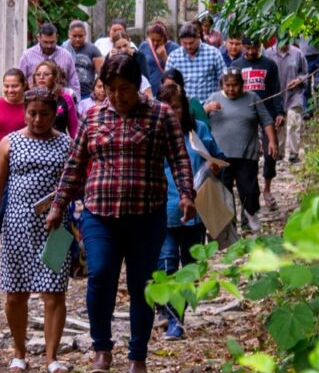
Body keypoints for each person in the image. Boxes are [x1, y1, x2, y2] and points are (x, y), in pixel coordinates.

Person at [46, 54, 197, 373]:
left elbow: (179, 158)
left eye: (124, 88)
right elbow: (75, 165)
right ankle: (102, 348)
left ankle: (137, 355)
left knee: (143, 282)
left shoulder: (161, 115)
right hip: (100, 213)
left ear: (138, 85)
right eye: (110, 88)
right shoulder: (93, 117)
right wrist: (59, 205)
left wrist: (186, 194)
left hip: (147, 213)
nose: (117, 96)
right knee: (99, 275)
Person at [0, 89, 74, 373]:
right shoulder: (10, 143)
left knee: (55, 292)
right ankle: (19, 352)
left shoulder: (66, 144)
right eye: (32, 113)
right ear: (24, 112)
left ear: (55, 113)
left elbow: (75, 182)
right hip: (17, 225)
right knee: (16, 293)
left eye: (44, 114)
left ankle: (51, 358)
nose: (37, 119)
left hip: (56, 227)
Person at [154, 84, 224, 341]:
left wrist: (215, 167)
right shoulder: (154, 135)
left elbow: (218, 157)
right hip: (163, 209)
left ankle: (175, 312)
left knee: (190, 266)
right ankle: (173, 318)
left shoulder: (199, 130)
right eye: (167, 107)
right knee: (167, 261)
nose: (172, 112)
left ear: (185, 108)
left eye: (177, 107)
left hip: (196, 210)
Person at [204, 68, 276, 232]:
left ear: (242, 85)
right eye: (227, 85)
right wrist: (207, 109)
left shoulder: (252, 97)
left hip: (246, 154)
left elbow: (266, 120)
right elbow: (198, 119)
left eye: (235, 85)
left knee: (249, 190)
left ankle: (250, 216)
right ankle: (230, 228)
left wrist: (271, 141)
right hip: (221, 157)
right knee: (224, 191)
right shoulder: (214, 98)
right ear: (222, 84)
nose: (231, 89)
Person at [229, 38, 285, 211]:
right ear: (243, 46)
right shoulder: (236, 65)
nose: (251, 52)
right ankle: (249, 192)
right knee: (247, 156)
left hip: (266, 114)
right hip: (244, 116)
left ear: (260, 47)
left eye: (254, 48)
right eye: (248, 48)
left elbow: (276, 90)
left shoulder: (269, 65)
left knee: (271, 153)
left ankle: (267, 189)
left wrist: (279, 112)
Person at [266, 40, 309, 165]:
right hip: (276, 94)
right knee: (278, 123)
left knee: (293, 121)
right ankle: (278, 153)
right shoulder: (268, 54)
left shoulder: (298, 53)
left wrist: (298, 80)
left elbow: (305, 72)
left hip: (294, 94)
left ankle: (294, 153)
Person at [165, 22, 225, 103]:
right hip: (184, 107)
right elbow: (167, 84)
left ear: (198, 38)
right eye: (185, 43)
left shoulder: (213, 53)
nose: (188, 46)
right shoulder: (174, 57)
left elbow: (223, 79)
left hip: (209, 105)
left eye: (191, 43)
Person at [19, 22, 80, 94]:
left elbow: (74, 83)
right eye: (45, 42)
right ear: (39, 37)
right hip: (34, 101)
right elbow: (20, 81)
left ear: (56, 37)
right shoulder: (27, 56)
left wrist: (75, 102)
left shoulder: (66, 56)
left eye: (52, 42)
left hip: (60, 101)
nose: (49, 46)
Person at [31, 60, 79, 138]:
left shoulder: (66, 98)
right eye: (38, 74)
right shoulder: (30, 98)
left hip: (60, 144)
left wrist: (76, 147)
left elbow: (74, 129)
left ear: (54, 77)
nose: (41, 77)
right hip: (34, 144)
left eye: (46, 74)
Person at [62, 19, 104, 99]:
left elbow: (101, 74)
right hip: (67, 93)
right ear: (69, 34)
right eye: (74, 36)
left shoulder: (93, 50)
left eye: (80, 36)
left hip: (87, 94)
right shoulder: (63, 50)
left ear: (85, 34)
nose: (77, 39)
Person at [140, 22, 178, 95]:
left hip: (167, 91)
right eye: (153, 40)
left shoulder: (174, 48)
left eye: (159, 40)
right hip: (149, 90)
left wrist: (165, 57)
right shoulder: (144, 46)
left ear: (165, 38)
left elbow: (177, 72)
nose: (155, 43)